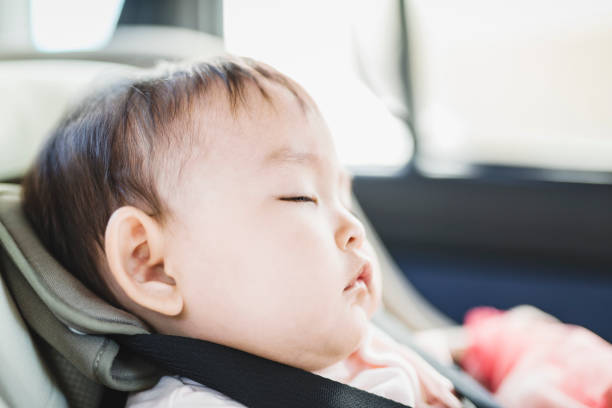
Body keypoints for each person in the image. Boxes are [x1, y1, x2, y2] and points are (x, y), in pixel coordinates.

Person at [20, 56, 612, 408]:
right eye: (301, 195)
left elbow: (446, 353)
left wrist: (514, 353)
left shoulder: (350, 346)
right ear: (152, 265)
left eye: (344, 197)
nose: (353, 227)